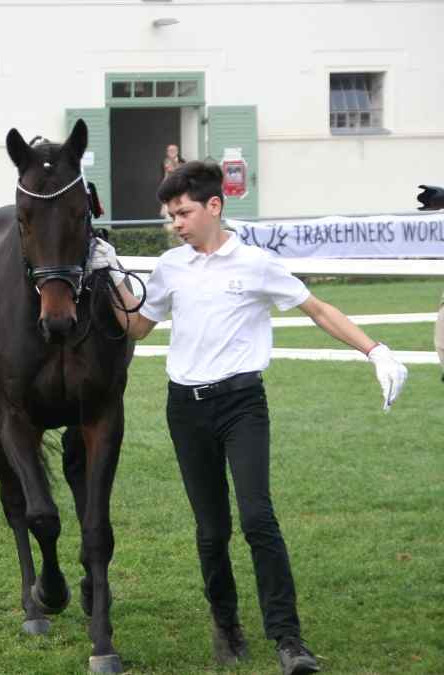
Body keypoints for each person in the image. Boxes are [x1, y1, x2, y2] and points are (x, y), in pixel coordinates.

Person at [92, 161, 408, 675]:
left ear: (214, 206)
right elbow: (137, 328)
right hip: (185, 409)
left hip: (243, 405)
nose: (177, 223)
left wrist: (376, 351)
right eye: (171, 215)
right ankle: (226, 623)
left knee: (259, 519)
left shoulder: (257, 263)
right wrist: (108, 276)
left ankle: (289, 640)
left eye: (184, 212)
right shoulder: (171, 266)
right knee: (211, 529)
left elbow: (318, 309)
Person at [161, 144, 186, 218]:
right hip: (168, 191)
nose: (171, 152)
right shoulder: (164, 162)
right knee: (168, 216)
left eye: (173, 150)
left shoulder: (183, 162)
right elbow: (163, 177)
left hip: (179, 191)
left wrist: (174, 166)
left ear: (177, 151)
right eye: (169, 151)